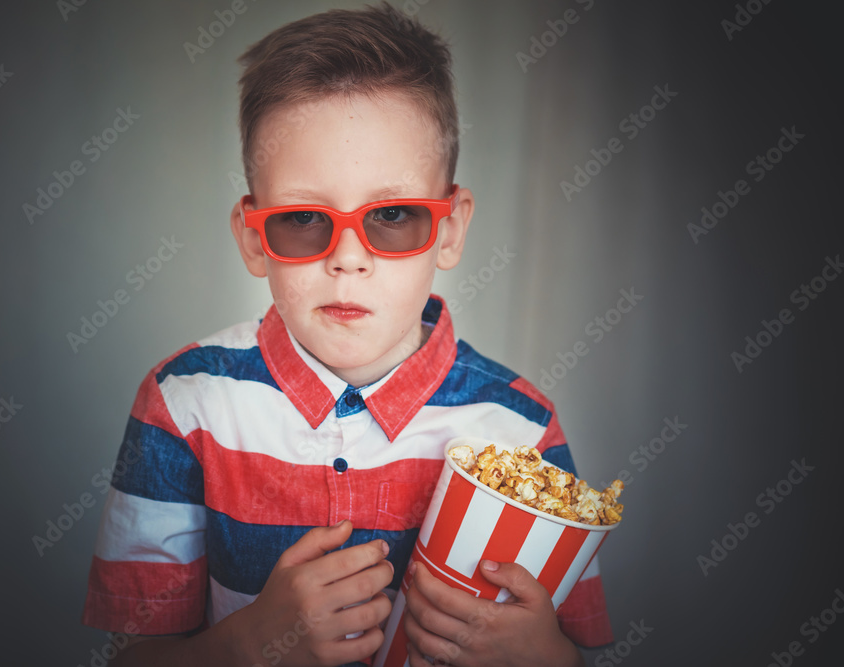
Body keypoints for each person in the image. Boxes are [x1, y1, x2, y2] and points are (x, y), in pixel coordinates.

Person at [82, 4, 613, 665]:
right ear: (254, 239)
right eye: (304, 217)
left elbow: (578, 650)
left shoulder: (524, 431)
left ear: (448, 229)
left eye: (393, 215)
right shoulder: (185, 406)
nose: (349, 257)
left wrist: (547, 658)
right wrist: (251, 644)